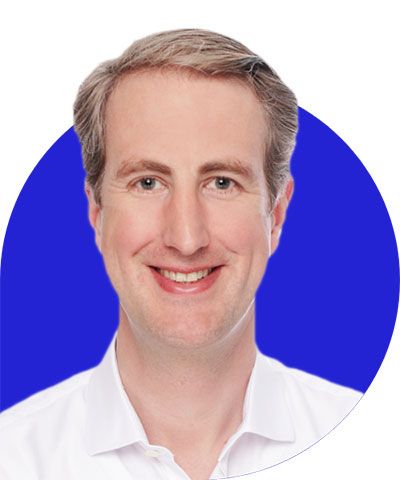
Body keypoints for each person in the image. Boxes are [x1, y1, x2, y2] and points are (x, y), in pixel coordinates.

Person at [0, 29, 362, 480]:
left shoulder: (372, 444)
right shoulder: (12, 458)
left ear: (276, 215)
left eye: (222, 182)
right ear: (97, 212)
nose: (187, 239)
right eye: (148, 182)